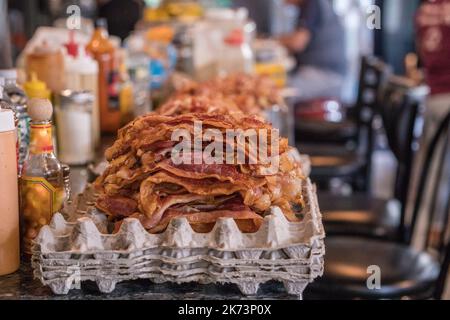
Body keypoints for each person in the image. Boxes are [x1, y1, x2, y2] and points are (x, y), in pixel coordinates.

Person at [406, 0, 450, 250]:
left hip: (432, 96)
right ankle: (436, 235)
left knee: (430, 171)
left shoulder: (423, 11)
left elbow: (422, 55)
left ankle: (422, 234)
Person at [278, 0, 347, 102]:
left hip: (326, 74)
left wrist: (275, 40)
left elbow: (297, 43)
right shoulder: (308, 6)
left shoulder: (314, 3)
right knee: (274, 86)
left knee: (279, 95)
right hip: (317, 70)